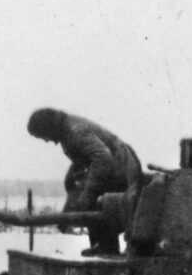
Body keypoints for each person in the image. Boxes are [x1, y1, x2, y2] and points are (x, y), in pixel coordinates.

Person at [27, 108, 144, 255]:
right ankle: (101, 246)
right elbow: (84, 157)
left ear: (48, 128)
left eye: (43, 136)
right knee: (88, 196)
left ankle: (107, 249)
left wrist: (89, 193)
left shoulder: (75, 131)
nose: (46, 140)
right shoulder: (67, 132)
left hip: (121, 167)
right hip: (114, 165)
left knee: (96, 200)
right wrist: (70, 177)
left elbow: (102, 157)